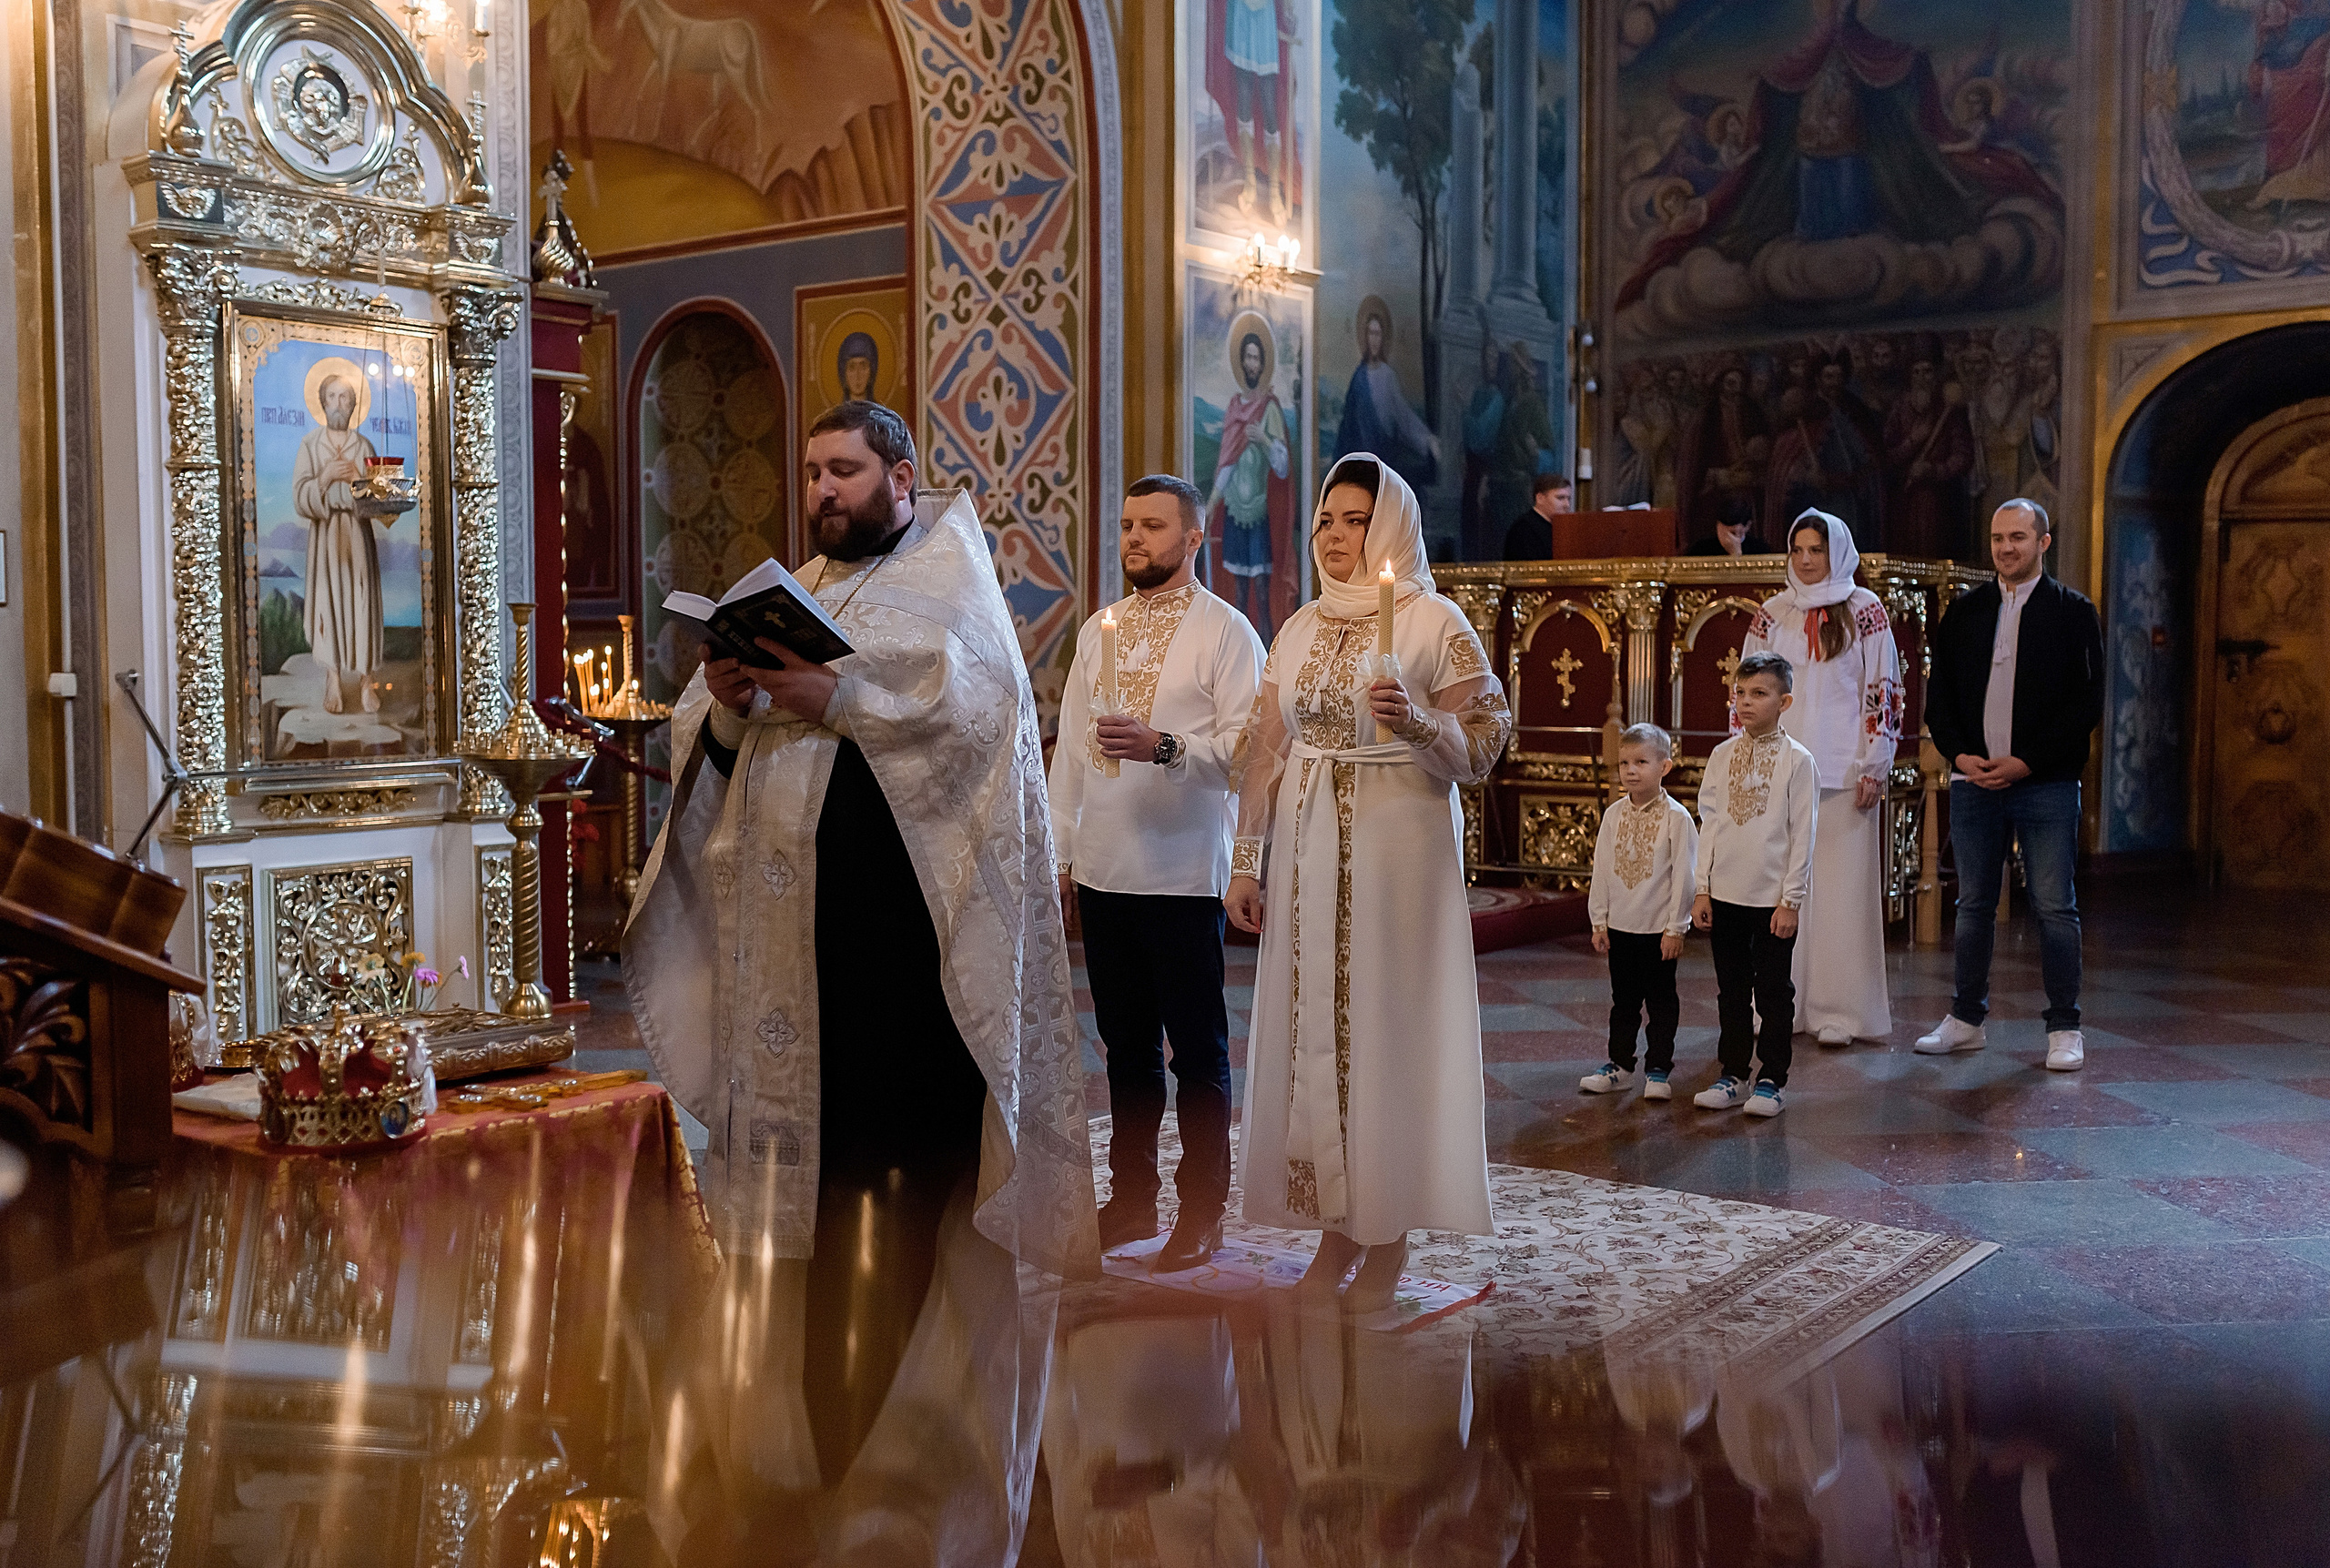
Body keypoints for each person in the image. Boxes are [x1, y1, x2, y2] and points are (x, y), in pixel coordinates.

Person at [624, 400, 1098, 1517]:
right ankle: (802, 1446)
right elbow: (717, 748)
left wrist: (836, 696)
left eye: (844, 470)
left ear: (901, 471)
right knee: (814, 1204)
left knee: (893, 1192)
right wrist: (735, 708)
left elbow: (978, 721)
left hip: (903, 973)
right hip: (791, 970)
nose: (824, 491)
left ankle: (904, 1456)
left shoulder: (951, 583)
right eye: (813, 474)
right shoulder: (807, 589)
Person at [1225, 455, 1510, 1315]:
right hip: (1309, 853)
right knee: (1316, 1031)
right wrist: (1246, 858)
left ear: (1389, 526)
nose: (1337, 536)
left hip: (1399, 851)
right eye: (1325, 521)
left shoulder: (1433, 621)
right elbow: (1262, 748)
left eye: (1355, 519)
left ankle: (1387, 1230)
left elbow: (1490, 736)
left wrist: (1419, 722)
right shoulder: (1299, 626)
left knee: (1383, 1031)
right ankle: (1333, 1227)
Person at [1051, 474, 1265, 1273]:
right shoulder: (1100, 629)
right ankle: (1132, 1195)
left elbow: (1251, 753)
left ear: (1195, 536)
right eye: (1127, 525)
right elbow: (1070, 754)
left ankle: (1203, 1209)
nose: (1134, 538)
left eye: (1151, 525)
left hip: (1182, 877)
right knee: (1125, 1050)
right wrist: (1062, 858)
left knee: (1197, 1053)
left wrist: (1165, 746)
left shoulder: (1227, 632)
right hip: (1106, 874)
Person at [1915, 498, 2103, 1072]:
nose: (2005, 548)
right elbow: (1940, 696)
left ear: (2044, 542)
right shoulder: (1966, 611)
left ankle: (2065, 1026)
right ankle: (1966, 1020)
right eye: (1998, 538)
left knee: (2053, 905)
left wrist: (2028, 760)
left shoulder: (2073, 612)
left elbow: (2086, 704)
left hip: (2044, 782)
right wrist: (1961, 754)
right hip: (1975, 781)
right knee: (1972, 904)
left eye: (2018, 537)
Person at [1741, 510, 1902, 1046]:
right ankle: (1781, 1005)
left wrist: (1875, 760)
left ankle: (1840, 1011)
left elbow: (1882, 688)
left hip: (1842, 770)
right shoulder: (1771, 613)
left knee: (1839, 894)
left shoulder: (1866, 610)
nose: (1807, 561)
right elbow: (1747, 688)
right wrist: (1750, 759)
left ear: (1838, 553)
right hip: (1780, 771)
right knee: (1779, 893)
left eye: (1818, 551)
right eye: (1799, 550)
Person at [1690, 652, 1818, 1118]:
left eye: (1758, 694)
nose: (1745, 702)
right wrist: (1701, 888)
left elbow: (1802, 835)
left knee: (1773, 992)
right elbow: (1711, 824)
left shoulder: (1798, 761)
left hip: (1771, 902)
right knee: (1731, 990)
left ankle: (1772, 1079)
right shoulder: (1722, 756)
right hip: (1725, 896)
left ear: (1784, 701)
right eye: (1740, 693)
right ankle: (1734, 1074)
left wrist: (1790, 901)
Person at [1579, 723, 1698, 1100]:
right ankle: (1620, 1065)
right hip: (1620, 927)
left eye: (1641, 762)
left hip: (1658, 930)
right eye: (1625, 763)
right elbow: (1602, 869)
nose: (1630, 770)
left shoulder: (1676, 818)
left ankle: (1659, 1070)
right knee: (1623, 1001)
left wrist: (1677, 928)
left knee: (1661, 1002)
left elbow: (1685, 876)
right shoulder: (1614, 815)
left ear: (1665, 766)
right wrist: (1599, 920)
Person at [292, 373, 383, 715]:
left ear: (354, 405)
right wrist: (327, 476)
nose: (340, 404)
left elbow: (379, 496)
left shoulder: (364, 447)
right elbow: (300, 496)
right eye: (333, 396)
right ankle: (333, 677)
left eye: (346, 397)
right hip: (326, 537)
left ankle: (365, 682)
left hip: (358, 538)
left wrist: (356, 481)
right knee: (327, 604)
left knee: (362, 603)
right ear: (323, 402)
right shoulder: (311, 445)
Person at [1205, 315, 1295, 640]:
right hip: (1234, 510)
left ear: (1263, 363)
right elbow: (1226, 462)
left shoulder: (1270, 408)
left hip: (1257, 511)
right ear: (1241, 362)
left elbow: (1283, 466)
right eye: (1247, 357)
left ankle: (1269, 658)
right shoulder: (1233, 407)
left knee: (1261, 593)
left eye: (1257, 357)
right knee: (1238, 597)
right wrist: (1212, 503)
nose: (1251, 363)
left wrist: (1265, 439)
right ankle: (1239, 659)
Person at [1333, 301, 1439, 491]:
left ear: (1383, 338)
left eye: (1377, 334)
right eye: (1370, 333)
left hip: (1383, 459)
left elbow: (1402, 415)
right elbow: (1348, 425)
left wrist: (1427, 439)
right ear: (1364, 337)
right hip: (1358, 464)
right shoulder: (1358, 378)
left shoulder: (1388, 376)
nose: (1374, 339)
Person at [1501, 470, 1575, 561]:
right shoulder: (1524, 529)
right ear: (1540, 498)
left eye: (1568, 499)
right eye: (1560, 498)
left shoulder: (1561, 529)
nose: (1567, 505)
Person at [1681, 503, 1773, 557]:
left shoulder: (1760, 550)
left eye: (1733, 533)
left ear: (1747, 526)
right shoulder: (1700, 549)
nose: (1728, 537)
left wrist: (1736, 554)